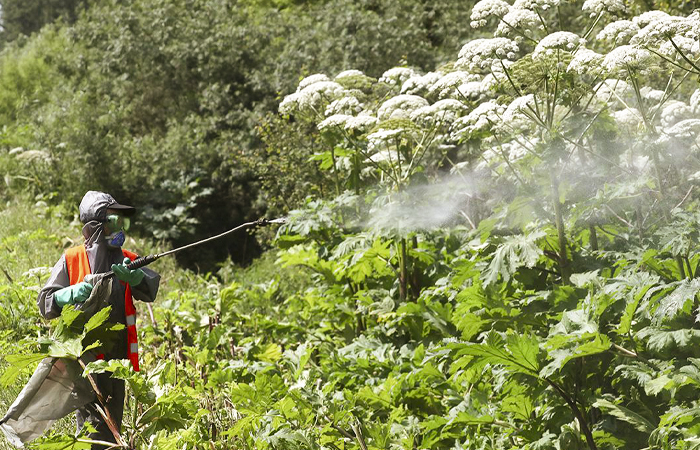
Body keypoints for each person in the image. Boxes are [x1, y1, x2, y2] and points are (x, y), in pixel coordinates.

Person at [37, 191, 160, 447]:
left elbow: (150, 288)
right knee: (94, 429)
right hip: (87, 362)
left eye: (122, 221)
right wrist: (68, 294)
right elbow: (45, 301)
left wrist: (137, 279)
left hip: (120, 362)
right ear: (95, 227)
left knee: (113, 421)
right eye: (114, 221)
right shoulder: (72, 259)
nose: (121, 228)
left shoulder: (127, 259)